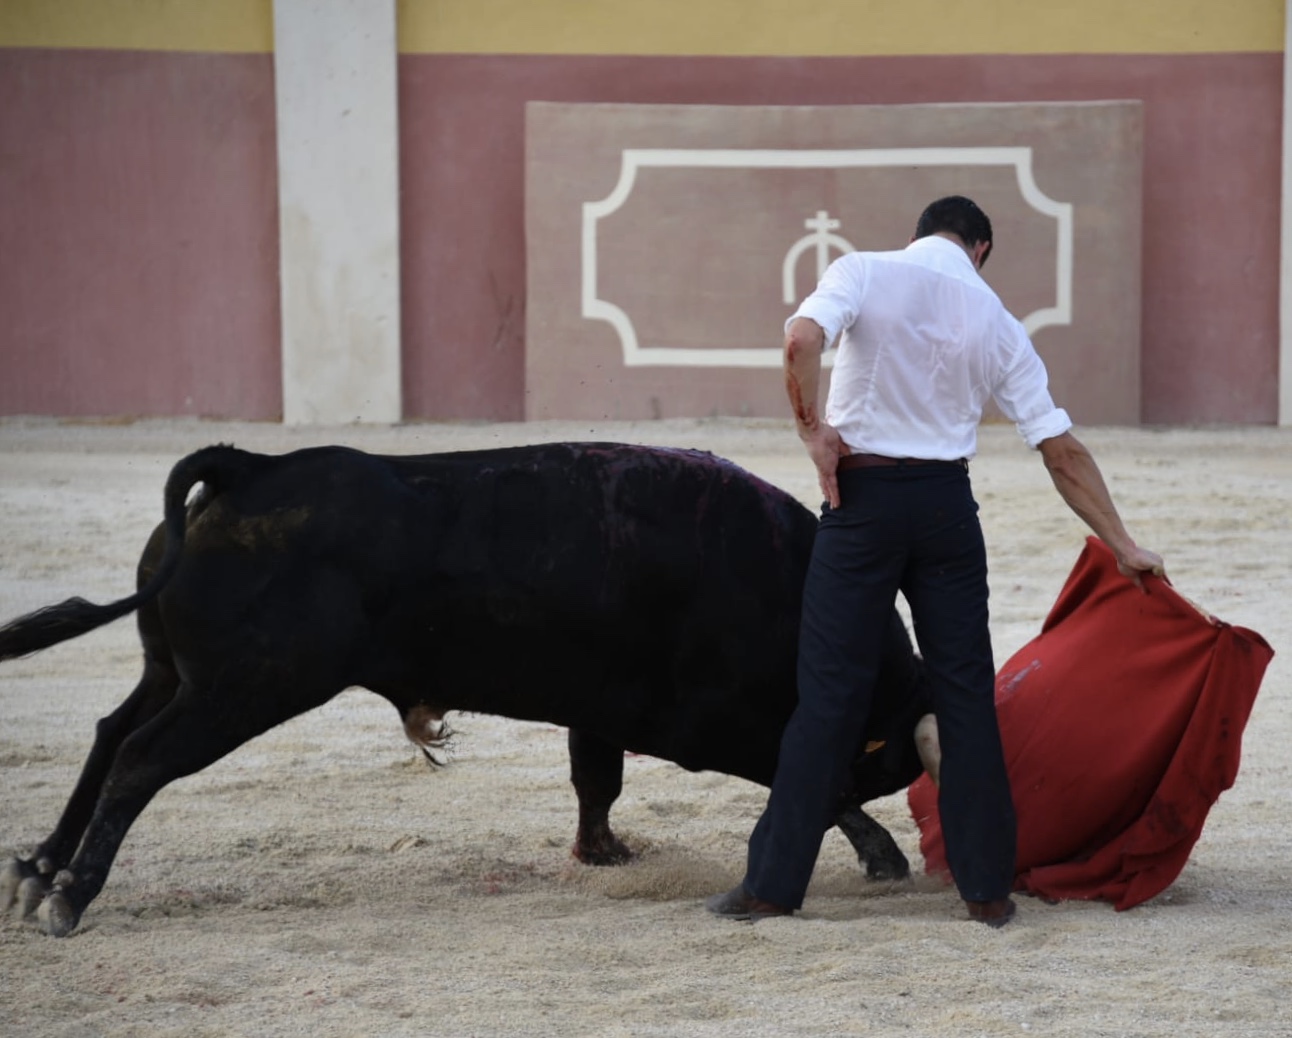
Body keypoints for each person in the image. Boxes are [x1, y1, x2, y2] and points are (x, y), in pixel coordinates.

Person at [706, 195, 1164, 927]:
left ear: (919, 233)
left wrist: (813, 432)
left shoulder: (865, 269)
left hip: (861, 505)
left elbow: (800, 340)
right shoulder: (999, 321)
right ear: (979, 249)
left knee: (830, 694)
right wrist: (1124, 543)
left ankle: (771, 887)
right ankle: (986, 892)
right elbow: (1060, 449)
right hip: (948, 510)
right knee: (964, 698)